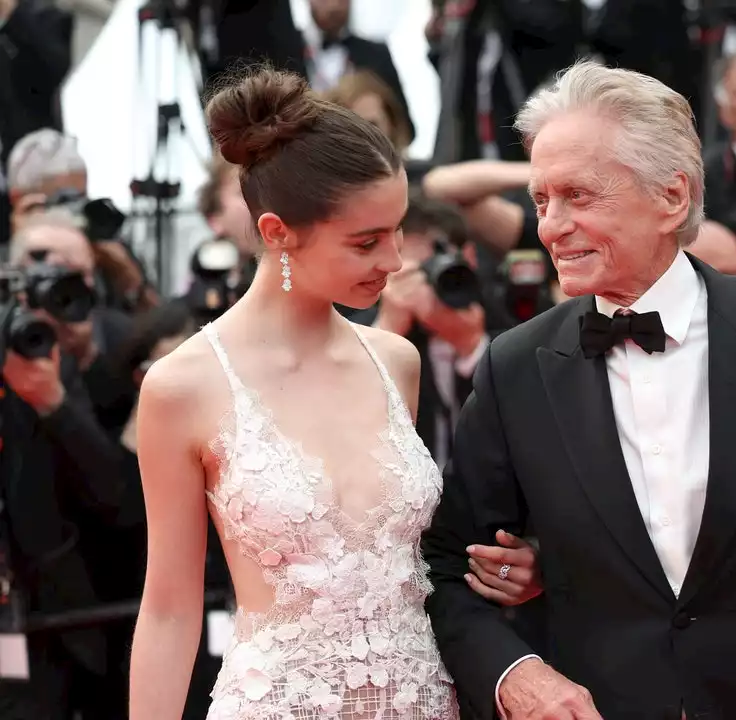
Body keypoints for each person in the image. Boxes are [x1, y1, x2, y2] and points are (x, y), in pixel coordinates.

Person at [422, 59, 736, 720]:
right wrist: (515, 676)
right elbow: (446, 571)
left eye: (578, 196)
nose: (551, 226)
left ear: (671, 198)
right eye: (541, 201)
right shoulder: (516, 366)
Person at [127, 68, 535, 719]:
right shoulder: (183, 386)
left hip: (423, 701)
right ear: (277, 232)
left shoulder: (396, 360)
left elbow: (426, 560)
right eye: (366, 242)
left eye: (398, 231)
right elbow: (170, 608)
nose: (394, 260)